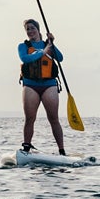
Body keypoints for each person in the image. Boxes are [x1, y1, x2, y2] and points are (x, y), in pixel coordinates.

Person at [18, 17, 65, 154]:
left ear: (38, 30)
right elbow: (25, 59)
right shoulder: (23, 46)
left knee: (54, 119)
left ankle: (61, 150)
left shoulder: (48, 45)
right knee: (30, 118)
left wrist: (52, 44)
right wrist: (43, 52)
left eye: (32, 28)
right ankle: (26, 146)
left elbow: (60, 58)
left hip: (49, 85)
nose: (30, 31)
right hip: (30, 85)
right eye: (27, 29)